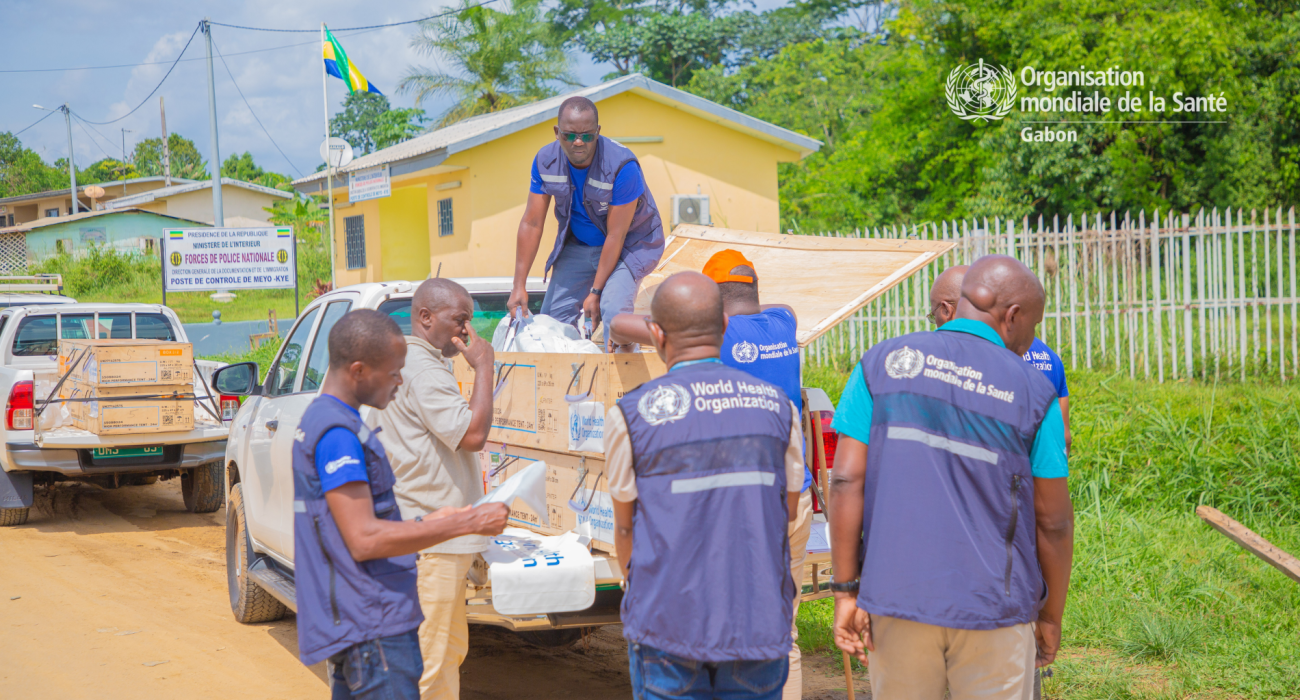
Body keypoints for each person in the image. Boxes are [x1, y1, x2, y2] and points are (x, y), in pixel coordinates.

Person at [828, 256, 1074, 699]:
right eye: (1034, 324)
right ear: (1013, 316)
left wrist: (846, 591)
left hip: (896, 600)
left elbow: (845, 480)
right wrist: (1050, 616)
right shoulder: (1036, 392)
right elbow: (1053, 522)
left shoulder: (881, 364)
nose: (1031, 339)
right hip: (994, 610)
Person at [609, 249, 813, 700]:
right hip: (775, 508)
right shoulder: (782, 329)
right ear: (720, 321)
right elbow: (786, 507)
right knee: (787, 635)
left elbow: (626, 525)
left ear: (659, 333)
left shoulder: (635, 413)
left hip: (672, 626)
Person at [292, 309, 509, 700]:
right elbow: (364, 538)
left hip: (359, 621)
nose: (399, 382)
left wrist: (433, 521)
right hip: (374, 626)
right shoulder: (338, 434)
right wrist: (466, 523)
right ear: (358, 371)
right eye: (393, 373)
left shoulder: (327, 419)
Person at [375, 280, 497, 700]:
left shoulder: (407, 362)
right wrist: (485, 367)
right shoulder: (424, 371)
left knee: (445, 653)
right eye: (459, 320)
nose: (466, 331)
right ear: (425, 317)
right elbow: (473, 435)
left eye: (469, 321)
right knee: (429, 662)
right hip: (432, 542)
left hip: (425, 534)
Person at [507, 96, 665, 349]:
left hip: (630, 246)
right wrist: (519, 286)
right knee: (550, 324)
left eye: (587, 136)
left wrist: (596, 292)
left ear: (598, 132)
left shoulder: (622, 166)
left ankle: (629, 365)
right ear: (557, 133)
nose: (578, 142)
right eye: (569, 135)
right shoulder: (545, 161)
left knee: (614, 313)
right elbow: (532, 223)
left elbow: (616, 235)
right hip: (579, 245)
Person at [929, 264, 1071, 451]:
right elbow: (1063, 438)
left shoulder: (955, 359)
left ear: (947, 310)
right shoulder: (1050, 358)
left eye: (933, 317)